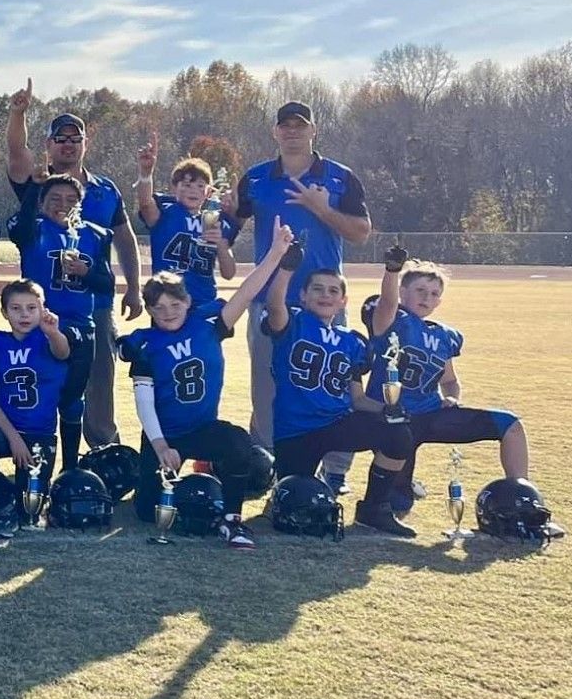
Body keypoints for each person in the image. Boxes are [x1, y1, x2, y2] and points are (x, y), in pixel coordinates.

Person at [119, 219, 295, 549]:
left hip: (201, 428)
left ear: (187, 302)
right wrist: (159, 446)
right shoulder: (144, 343)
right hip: (165, 432)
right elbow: (143, 402)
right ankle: (178, 478)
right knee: (147, 511)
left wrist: (275, 254)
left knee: (237, 442)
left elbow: (246, 291)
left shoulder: (208, 325)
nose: (167, 312)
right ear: (151, 311)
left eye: (174, 304)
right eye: (158, 308)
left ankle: (231, 519)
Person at [362, 248, 556, 535]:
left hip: (430, 414)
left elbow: (449, 380)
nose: (426, 298)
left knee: (510, 425)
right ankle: (397, 489)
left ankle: (521, 498)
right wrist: (392, 272)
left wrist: (452, 396)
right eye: (420, 290)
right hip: (395, 421)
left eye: (433, 293)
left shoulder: (444, 335)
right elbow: (387, 304)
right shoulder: (391, 320)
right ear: (403, 291)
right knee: (398, 501)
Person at [236, 101, 373, 493]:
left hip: (324, 303)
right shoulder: (257, 177)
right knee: (267, 386)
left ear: (314, 130)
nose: (292, 131)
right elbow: (230, 222)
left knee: (331, 387)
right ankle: (266, 463)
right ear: (275, 132)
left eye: (300, 125)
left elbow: (361, 231)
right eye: (285, 125)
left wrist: (321, 208)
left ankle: (334, 471)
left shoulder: (339, 178)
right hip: (270, 300)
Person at [6, 79, 143, 454]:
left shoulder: (104, 189)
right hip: (40, 307)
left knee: (99, 375)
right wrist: (18, 114)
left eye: (75, 138)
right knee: (44, 377)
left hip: (92, 305)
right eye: (60, 138)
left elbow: (125, 237)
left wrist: (133, 286)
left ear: (85, 143)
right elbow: (16, 150)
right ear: (49, 145)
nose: (68, 144)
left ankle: (101, 446)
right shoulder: (39, 183)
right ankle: (39, 448)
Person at [260, 251, 414, 536]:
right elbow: (274, 303)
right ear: (303, 296)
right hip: (295, 431)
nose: (325, 295)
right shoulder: (293, 322)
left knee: (397, 434)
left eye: (333, 291)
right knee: (297, 501)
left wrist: (385, 409)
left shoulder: (351, 341)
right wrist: (286, 269)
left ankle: (374, 508)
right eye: (317, 288)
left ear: (343, 301)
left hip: (336, 423)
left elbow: (357, 400)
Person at [7, 173, 115, 474]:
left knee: (71, 401)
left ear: (79, 204)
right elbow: (21, 227)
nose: (62, 205)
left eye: (70, 199)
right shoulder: (35, 229)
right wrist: (33, 188)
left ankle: (70, 471)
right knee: (38, 400)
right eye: (54, 198)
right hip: (38, 327)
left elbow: (107, 285)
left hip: (81, 327)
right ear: (43, 202)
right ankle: (33, 470)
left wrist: (86, 272)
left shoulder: (94, 235)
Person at [0, 281, 72, 539]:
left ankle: (1, 492)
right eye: (16, 308)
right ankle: (2, 502)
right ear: (4, 312)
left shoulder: (49, 339)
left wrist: (53, 331)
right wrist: (14, 439)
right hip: (5, 429)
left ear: (43, 310)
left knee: (30, 513)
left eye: (31, 308)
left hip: (40, 435)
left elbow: (63, 352)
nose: (24, 314)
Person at [133, 134, 237, 305]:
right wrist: (146, 174)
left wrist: (220, 244)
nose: (193, 190)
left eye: (200, 186)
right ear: (174, 188)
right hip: (167, 303)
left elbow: (229, 273)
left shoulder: (214, 220)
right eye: (187, 185)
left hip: (203, 302)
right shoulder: (166, 212)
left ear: (209, 192)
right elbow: (145, 204)